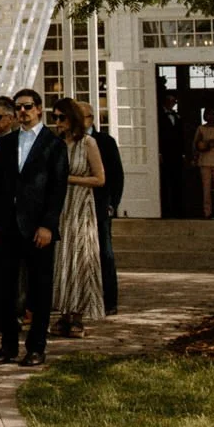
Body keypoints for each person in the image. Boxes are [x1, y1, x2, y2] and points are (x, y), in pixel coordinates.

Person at [0, 88, 68, 367]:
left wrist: (47, 225)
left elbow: (57, 190)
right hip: (6, 226)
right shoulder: (6, 143)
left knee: (39, 289)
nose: (22, 112)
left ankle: (36, 347)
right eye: (18, 107)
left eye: (28, 107)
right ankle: (8, 346)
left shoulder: (53, 144)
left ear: (39, 109)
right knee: (4, 289)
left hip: (37, 228)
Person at [52, 98, 107, 337]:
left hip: (81, 207)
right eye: (54, 118)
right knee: (62, 259)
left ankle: (78, 315)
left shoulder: (88, 143)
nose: (57, 123)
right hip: (60, 208)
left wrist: (70, 179)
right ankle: (64, 312)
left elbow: (100, 178)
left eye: (61, 118)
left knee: (81, 258)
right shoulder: (56, 144)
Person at [93, 109, 125, 315]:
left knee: (105, 253)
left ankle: (109, 300)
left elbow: (115, 174)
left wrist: (113, 202)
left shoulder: (105, 141)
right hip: (74, 207)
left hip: (101, 205)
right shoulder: (63, 140)